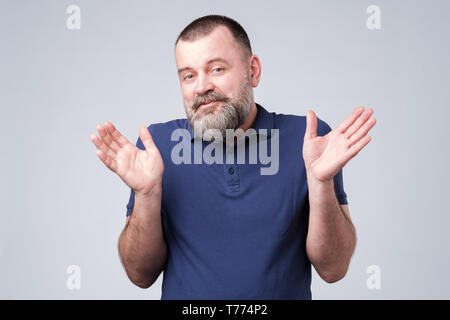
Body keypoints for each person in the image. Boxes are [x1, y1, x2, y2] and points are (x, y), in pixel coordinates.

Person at [90, 15, 376, 299]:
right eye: (188, 75)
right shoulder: (157, 147)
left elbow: (334, 269)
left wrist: (320, 184)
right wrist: (147, 194)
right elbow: (140, 276)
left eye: (216, 69)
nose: (201, 87)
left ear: (253, 70)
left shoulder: (309, 139)